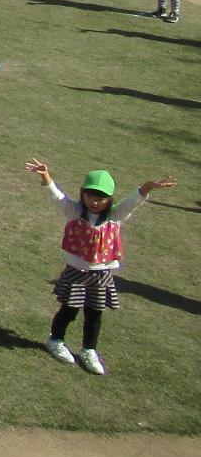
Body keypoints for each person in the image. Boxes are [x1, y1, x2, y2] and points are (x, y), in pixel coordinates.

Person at [27, 159, 176, 375]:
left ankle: (89, 350)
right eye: (90, 196)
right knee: (69, 310)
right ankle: (55, 340)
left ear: (110, 199)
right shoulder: (76, 212)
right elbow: (58, 197)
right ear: (83, 194)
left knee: (94, 313)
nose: (95, 202)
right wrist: (45, 176)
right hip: (76, 272)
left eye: (101, 198)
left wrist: (147, 187)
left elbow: (133, 201)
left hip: (102, 275)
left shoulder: (116, 215)